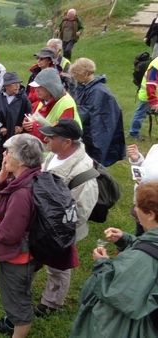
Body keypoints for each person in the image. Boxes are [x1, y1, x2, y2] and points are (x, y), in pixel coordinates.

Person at [0, 133, 46, 338]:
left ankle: (18, 328)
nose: (4, 154)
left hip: (19, 257)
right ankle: (10, 321)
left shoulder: (23, 193)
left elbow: (8, 234)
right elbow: (3, 191)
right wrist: (3, 172)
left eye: (8, 152)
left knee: (19, 303)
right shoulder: (27, 176)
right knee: (16, 295)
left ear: (21, 159)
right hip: (27, 252)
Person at [70, 182, 158, 338]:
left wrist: (102, 263)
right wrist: (125, 239)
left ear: (151, 214)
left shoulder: (140, 259)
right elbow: (151, 248)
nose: (135, 210)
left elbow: (114, 292)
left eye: (137, 205)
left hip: (118, 327)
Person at [35, 119, 98, 317]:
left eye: (52, 137)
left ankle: (52, 302)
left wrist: (60, 232)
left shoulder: (83, 174)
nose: (46, 139)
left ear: (67, 142)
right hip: (42, 219)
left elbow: (81, 211)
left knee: (58, 265)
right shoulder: (54, 155)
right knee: (35, 252)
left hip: (61, 229)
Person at [70, 57, 125, 167]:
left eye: (76, 74)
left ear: (84, 73)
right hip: (88, 133)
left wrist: (69, 114)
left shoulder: (98, 91)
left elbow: (89, 114)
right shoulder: (85, 87)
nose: (74, 77)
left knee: (94, 165)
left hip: (95, 136)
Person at [23, 68, 81, 141]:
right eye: (36, 87)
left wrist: (34, 126)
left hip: (57, 150)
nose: (36, 90)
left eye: (40, 87)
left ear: (50, 88)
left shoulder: (66, 104)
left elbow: (62, 136)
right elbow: (35, 120)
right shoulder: (43, 99)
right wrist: (27, 124)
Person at [0, 72, 31, 166]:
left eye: (18, 83)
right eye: (14, 84)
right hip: (0, 132)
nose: (17, 86)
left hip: (15, 132)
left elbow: (28, 114)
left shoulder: (23, 98)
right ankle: (0, 166)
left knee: (14, 152)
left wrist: (21, 126)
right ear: (6, 86)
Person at [127, 143, 158, 235]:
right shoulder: (155, 147)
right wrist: (137, 159)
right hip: (143, 202)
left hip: (154, 208)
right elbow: (147, 169)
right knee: (140, 232)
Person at [129, 54, 158, 141]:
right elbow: (150, 84)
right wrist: (154, 101)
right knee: (141, 114)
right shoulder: (156, 65)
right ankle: (134, 133)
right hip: (148, 95)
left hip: (155, 94)